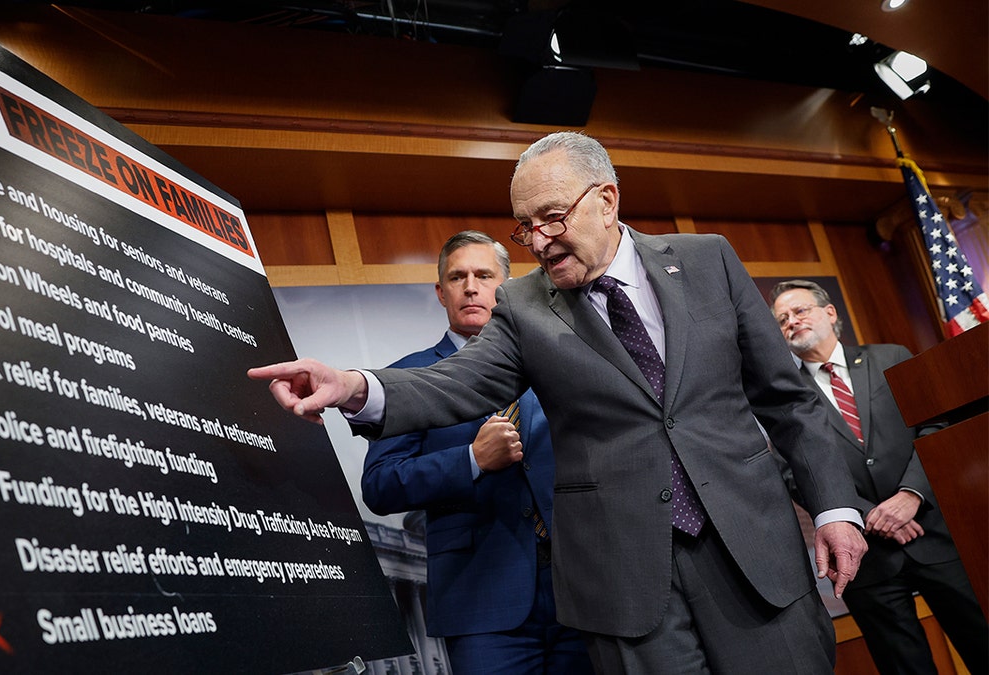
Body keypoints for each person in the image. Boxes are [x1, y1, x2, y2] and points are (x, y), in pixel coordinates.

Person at [250, 131, 868, 674]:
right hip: (627, 585)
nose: (539, 241)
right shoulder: (523, 304)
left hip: (752, 557)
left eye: (552, 217)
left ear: (607, 199)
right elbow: (457, 382)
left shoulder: (708, 261)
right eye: (525, 226)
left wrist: (833, 507)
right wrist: (355, 386)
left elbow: (788, 401)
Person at [362, 230, 592, 674]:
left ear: (507, 287)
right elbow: (380, 485)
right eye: (457, 276)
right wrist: (470, 460)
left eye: (484, 275)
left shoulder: (558, 362)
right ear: (440, 292)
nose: (471, 286)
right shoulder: (407, 377)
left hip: (580, 590)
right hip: (481, 601)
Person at [770, 279, 988, 675]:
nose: (792, 322)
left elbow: (934, 426)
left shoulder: (891, 357)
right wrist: (869, 514)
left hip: (935, 536)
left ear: (830, 313)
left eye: (800, 310)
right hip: (865, 556)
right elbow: (791, 470)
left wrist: (911, 495)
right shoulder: (783, 395)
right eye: (782, 320)